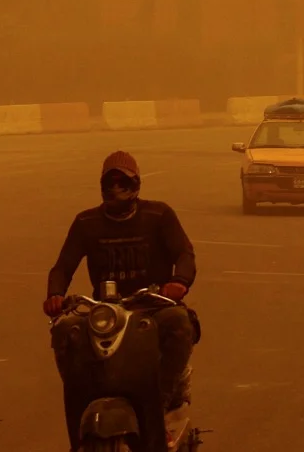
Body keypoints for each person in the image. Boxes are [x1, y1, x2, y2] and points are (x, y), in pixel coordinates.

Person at [44, 151, 197, 409]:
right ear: (101, 186)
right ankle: (79, 399)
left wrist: (179, 282)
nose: (116, 188)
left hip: (153, 304)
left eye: (122, 182)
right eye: (110, 183)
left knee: (180, 323)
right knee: (63, 330)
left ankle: (165, 398)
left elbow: (184, 253)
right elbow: (62, 267)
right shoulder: (86, 222)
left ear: (136, 183)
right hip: (104, 310)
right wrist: (55, 295)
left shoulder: (159, 215)